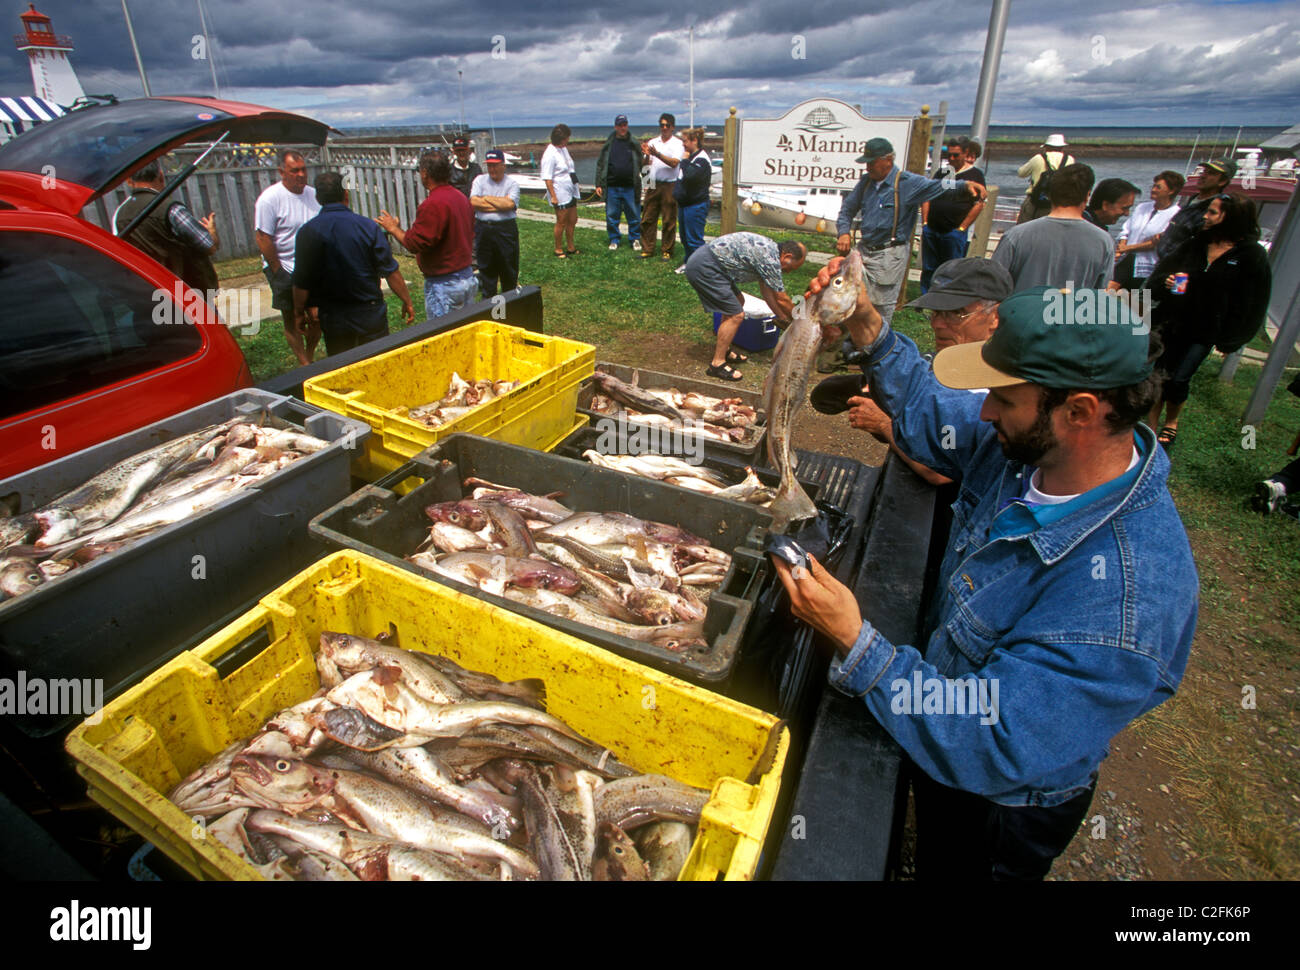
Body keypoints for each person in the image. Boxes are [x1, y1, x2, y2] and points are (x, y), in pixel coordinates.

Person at [783, 264, 1197, 881]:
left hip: (1001, 804)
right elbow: (932, 413)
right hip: (942, 736)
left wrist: (855, 639)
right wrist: (867, 323)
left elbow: (990, 740)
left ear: (1080, 411)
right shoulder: (1029, 453)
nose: (983, 416)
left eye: (1002, 399)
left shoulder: (1126, 605)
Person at [820, 259, 1012, 488]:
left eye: (955, 313)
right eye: (936, 312)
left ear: (996, 316)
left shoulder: (999, 388)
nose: (937, 324)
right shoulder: (947, 364)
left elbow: (940, 469)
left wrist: (885, 424)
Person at [1145, 193, 1272, 450]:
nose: (1205, 216)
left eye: (1213, 212)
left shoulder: (1251, 255)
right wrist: (1166, 282)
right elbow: (1159, 276)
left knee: (1180, 378)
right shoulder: (1195, 243)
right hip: (1171, 321)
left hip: (1205, 330)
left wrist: (1233, 339)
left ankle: (1172, 420)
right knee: (1158, 374)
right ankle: (1150, 426)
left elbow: (1254, 302)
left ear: (1231, 218)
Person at [835, 137, 987, 327]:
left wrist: (965, 186)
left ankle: (875, 349)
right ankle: (851, 341)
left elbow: (940, 187)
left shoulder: (907, 183)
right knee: (852, 297)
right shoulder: (866, 182)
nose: (868, 167)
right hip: (863, 251)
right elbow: (847, 210)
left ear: (888, 160)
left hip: (889, 255)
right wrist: (843, 232)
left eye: (872, 162)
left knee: (881, 307)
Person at [291, 171, 413, 357]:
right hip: (369, 312)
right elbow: (391, 271)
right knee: (377, 364)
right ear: (346, 195)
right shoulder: (367, 227)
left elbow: (301, 282)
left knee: (342, 368)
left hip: (334, 316)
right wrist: (407, 300)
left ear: (318, 198)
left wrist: (299, 312)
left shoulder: (307, 233)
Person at [683, 232, 806, 381]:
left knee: (738, 302)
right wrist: (800, 321)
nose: (789, 272)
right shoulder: (770, 260)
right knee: (736, 315)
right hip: (705, 267)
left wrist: (781, 317)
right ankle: (717, 364)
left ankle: (725, 350)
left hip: (712, 265)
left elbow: (767, 291)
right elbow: (782, 299)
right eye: (791, 268)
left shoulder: (769, 251)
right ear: (786, 257)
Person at [375, 150, 475, 320]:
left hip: (445, 284)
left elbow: (414, 244)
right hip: (465, 277)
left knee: (444, 339)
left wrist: (393, 228)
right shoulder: (459, 197)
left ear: (425, 173)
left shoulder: (433, 204)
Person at [991, 163, 1114, 291]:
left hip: (1022, 309)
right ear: (1087, 195)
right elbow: (1101, 291)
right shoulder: (1104, 242)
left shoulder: (1016, 236)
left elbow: (993, 285)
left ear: (1050, 194)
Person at [113, 159, 220, 294]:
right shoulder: (171, 209)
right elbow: (209, 246)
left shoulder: (119, 214)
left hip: (148, 290)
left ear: (129, 181)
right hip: (186, 292)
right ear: (161, 176)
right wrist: (211, 230)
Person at [255, 150, 321, 365]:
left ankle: (310, 355)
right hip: (284, 266)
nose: (301, 174)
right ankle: (304, 363)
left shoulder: (314, 195)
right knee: (293, 319)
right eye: (295, 170)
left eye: (303, 169)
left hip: (311, 268)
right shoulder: (269, 199)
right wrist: (278, 271)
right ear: (282, 172)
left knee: (317, 317)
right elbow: (263, 237)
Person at [918, 137, 986, 292]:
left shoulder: (975, 175)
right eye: (949, 155)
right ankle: (926, 297)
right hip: (932, 229)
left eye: (956, 155)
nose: (952, 159)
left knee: (951, 269)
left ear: (965, 153)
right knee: (929, 267)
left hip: (953, 232)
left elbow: (978, 204)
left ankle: (945, 300)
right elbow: (928, 196)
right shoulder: (942, 172)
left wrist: (962, 228)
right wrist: (925, 223)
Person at [1155, 158, 1236, 261]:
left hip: (1180, 267)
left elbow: (1202, 242)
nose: (1203, 176)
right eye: (1204, 172)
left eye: (1210, 173)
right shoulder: (1192, 201)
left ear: (1222, 181)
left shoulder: (1216, 208)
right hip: (1164, 263)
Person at [1114, 171, 1184, 288]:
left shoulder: (1176, 214)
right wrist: (1121, 248)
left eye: (1158, 187)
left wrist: (1127, 248)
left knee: (1134, 301)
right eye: (1153, 186)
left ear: (1171, 191)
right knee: (1107, 290)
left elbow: (1157, 242)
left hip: (1148, 264)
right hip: (1126, 259)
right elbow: (1126, 229)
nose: (1153, 189)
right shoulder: (1142, 207)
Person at [469, 148, 521, 298]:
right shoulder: (479, 180)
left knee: (509, 272)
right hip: (484, 229)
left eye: (495, 165)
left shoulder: (512, 184)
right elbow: (473, 201)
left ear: (503, 165)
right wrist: (499, 202)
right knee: (486, 272)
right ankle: (490, 310)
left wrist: (485, 198)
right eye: (489, 165)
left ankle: (509, 307)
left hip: (505, 230)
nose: (492, 169)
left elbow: (509, 205)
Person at [595, 115, 643, 252]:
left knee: (634, 215)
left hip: (630, 186)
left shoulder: (634, 143)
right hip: (612, 186)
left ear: (627, 126)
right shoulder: (609, 143)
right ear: (615, 126)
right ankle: (614, 239)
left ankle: (635, 239)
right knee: (611, 216)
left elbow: (643, 164)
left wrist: (648, 183)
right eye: (620, 125)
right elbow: (600, 164)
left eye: (625, 125)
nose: (623, 128)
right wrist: (598, 184)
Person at [640, 113, 684, 261]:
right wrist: (646, 155)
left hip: (670, 184)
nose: (664, 128)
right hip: (653, 183)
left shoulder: (677, 143)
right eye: (662, 125)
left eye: (667, 125)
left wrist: (657, 154)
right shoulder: (653, 142)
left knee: (668, 219)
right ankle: (647, 249)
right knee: (647, 217)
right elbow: (647, 165)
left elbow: (674, 163)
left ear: (672, 127)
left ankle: (667, 250)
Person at [673, 127, 712, 269]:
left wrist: (683, 161)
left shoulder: (702, 160)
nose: (683, 144)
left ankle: (701, 267)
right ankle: (689, 262)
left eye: (685, 141)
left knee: (694, 239)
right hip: (685, 205)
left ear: (694, 140)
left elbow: (690, 175)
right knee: (685, 238)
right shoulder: (692, 157)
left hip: (695, 205)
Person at [1016, 133, 1075, 224]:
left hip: (1034, 201)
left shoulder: (1038, 158)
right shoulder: (1070, 159)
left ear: (1046, 146)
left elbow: (1021, 173)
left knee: (1023, 227)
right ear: (1062, 147)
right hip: (1057, 204)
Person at [541, 124, 580, 257]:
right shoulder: (550, 154)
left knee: (573, 219)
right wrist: (553, 196)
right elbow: (547, 178)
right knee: (561, 221)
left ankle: (571, 246)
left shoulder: (563, 149)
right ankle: (558, 248)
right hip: (560, 191)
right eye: (566, 138)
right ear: (560, 139)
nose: (568, 140)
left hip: (571, 189)